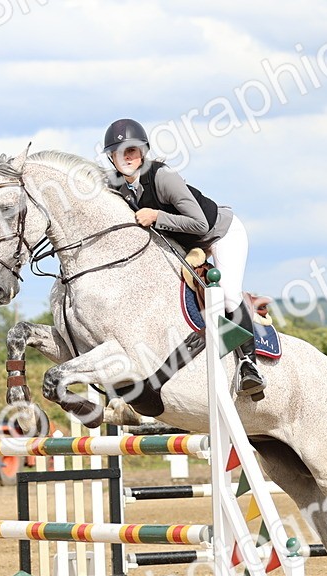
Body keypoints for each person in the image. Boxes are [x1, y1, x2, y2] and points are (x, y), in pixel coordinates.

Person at [101, 117, 266, 399]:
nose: (126, 157)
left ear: (142, 152)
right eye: (119, 153)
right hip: (185, 244)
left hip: (219, 234)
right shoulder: (118, 186)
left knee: (226, 294)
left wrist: (157, 216)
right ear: (112, 158)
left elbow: (200, 225)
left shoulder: (163, 177)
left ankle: (249, 364)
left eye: (131, 151)